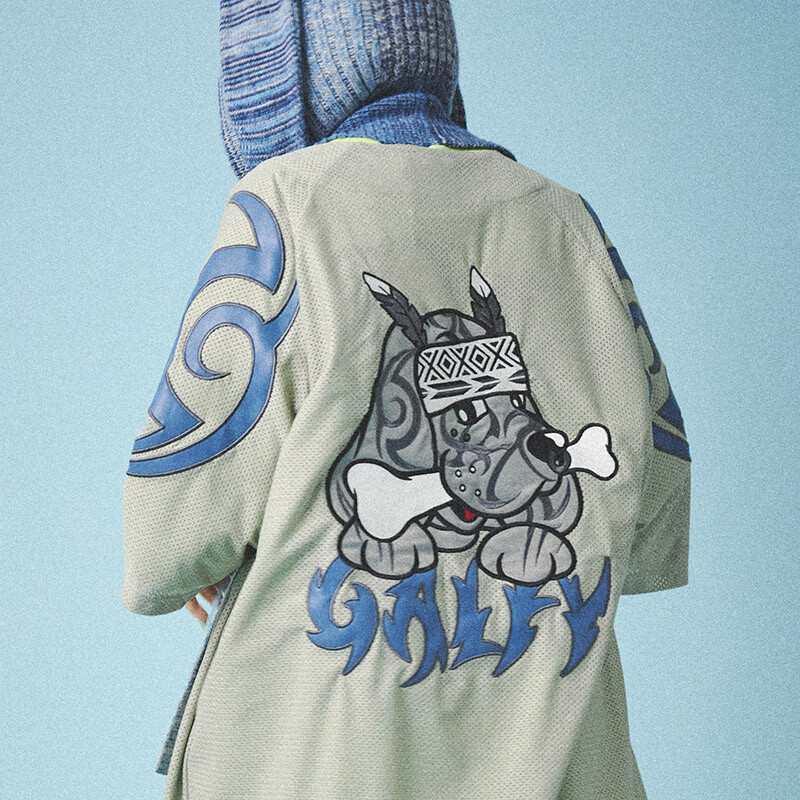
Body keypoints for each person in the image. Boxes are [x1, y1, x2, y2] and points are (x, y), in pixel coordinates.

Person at [121, 1, 692, 798]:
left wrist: (208, 551)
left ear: (279, 67)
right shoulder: (568, 220)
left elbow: (162, 546)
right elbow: (655, 512)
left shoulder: (287, 204)